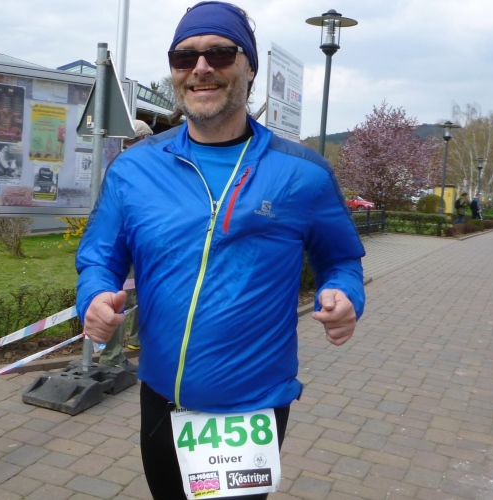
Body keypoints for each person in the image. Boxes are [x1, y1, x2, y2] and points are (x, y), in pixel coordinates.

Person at [75, 2, 365, 498]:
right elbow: (99, 258)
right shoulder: (134, 169)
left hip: (253, 410)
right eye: (184, 57)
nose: (201, 67)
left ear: (249, 69)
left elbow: (340, 259)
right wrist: (95, 297)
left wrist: (344, 296)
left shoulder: (304, 173)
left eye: (221, 53)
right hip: (163, 400)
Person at [98, 119, 155, 371]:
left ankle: (135, 340)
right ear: (143, 139)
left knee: (137, 292)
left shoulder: (122, 161)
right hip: (126, 241)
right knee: (120, 296)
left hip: (130, 239)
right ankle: (111, 356)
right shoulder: (134, 164)